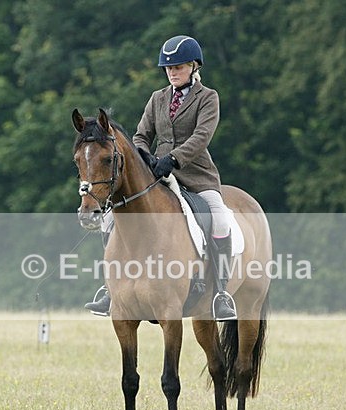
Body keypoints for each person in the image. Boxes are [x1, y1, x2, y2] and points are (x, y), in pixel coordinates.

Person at [86, 35, 237, 320]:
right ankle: (111, 289)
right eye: (168, 68)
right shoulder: (158, 98)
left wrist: (174, 158)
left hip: (197, 175)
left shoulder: (208, 98)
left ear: (193, 66)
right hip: (156, 174)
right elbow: (141, 135)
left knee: (218, 217)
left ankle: (220, 292)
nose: (172, 72)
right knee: (110, 218)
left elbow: (202, 136)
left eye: (178, 67)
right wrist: (145, 158)